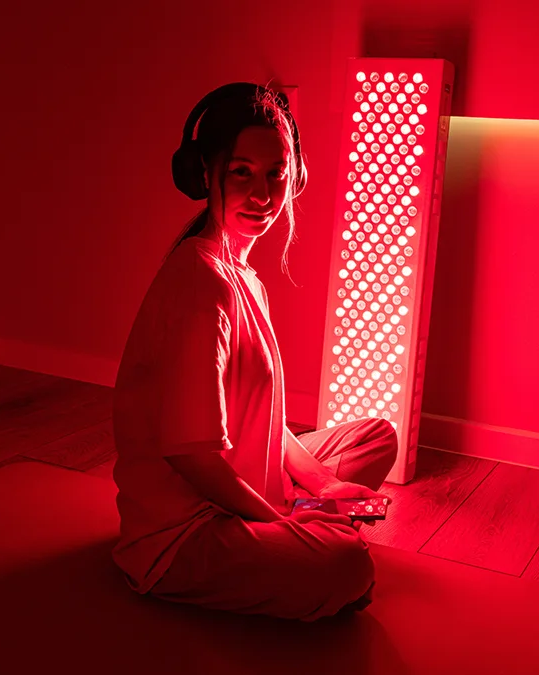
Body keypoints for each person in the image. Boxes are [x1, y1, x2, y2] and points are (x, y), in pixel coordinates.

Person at [111, 83, 399, 622]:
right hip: (186, 531)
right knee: (347, 566)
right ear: (204, 175)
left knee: (376, 436)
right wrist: (280, 523)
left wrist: (326, 484)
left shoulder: (243, 273)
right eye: (242, 172)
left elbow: (260, 415)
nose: (263, 195)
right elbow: (191, 455)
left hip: (242, 477)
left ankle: (304, 512)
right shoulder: (203, 287)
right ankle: (297, 529)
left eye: (276, 174)